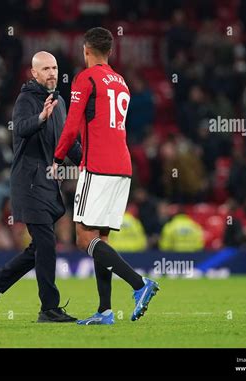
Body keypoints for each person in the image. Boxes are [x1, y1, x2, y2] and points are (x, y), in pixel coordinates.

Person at [52, 27, 159, 325]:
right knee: (101, 239)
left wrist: (58, 158)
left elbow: (72, 125)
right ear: (110, 52)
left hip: (97, 166)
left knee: (83, 237)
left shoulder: (85, 78)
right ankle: (105, 310)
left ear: (85, 50)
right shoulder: (122, 82)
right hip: (123, 167)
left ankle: (139, 285)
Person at [0, 51, 82, 323]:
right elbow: (20, 128)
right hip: (29, 181)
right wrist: (41, 118)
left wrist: (89, 163)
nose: (52, 73)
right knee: (45, 243)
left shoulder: (60, 101)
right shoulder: (26, 99)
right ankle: (49, 308)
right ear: (34, 73)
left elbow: (67, 142)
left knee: (40, 247)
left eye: (54, 68)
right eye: (45, 69)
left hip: (47, 183)